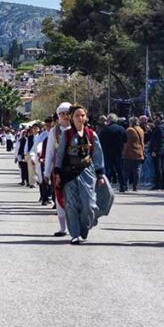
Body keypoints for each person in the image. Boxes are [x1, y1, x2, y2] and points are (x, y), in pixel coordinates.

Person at [53, 105, 105, 245]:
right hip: (69, 173)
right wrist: (57, 173)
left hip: (87, 173)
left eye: (82, 115)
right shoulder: (67, 134)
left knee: (88, 204)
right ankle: (74, 234)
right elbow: (60, 154)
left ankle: (84, 227)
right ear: (71, 117)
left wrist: (100, 174)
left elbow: (98, 154)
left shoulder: (91, 134)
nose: (80, 118)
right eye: (77, 115)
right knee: (71, 204)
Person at [43, 103, 72, 237]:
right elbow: (49, 152)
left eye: (67, 113)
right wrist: (46, 172)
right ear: (58, 115)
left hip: (76, 168)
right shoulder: (54, 132)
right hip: (59, 169)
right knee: (60, 197)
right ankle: (63, 228)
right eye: (62, 114)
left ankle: (77, 225)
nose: (65, 116)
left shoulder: (78, 129)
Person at [99, 114, 126, 186]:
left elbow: (100, 140)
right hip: (118, 151)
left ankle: (107, 185)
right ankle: (123, 185)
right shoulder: (121, 128)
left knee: (108, 169)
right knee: (119, 169)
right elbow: (125, 140)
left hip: (107, 151)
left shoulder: (105, 129)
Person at [121, 117, 144, 193]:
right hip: (139, 152)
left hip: (130, 153)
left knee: (126, 171)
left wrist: (124, 152)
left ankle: (125, 186)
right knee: (137, 171)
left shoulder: (129, 130)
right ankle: (136, 186)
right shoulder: (141, 130)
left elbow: (125, 141)